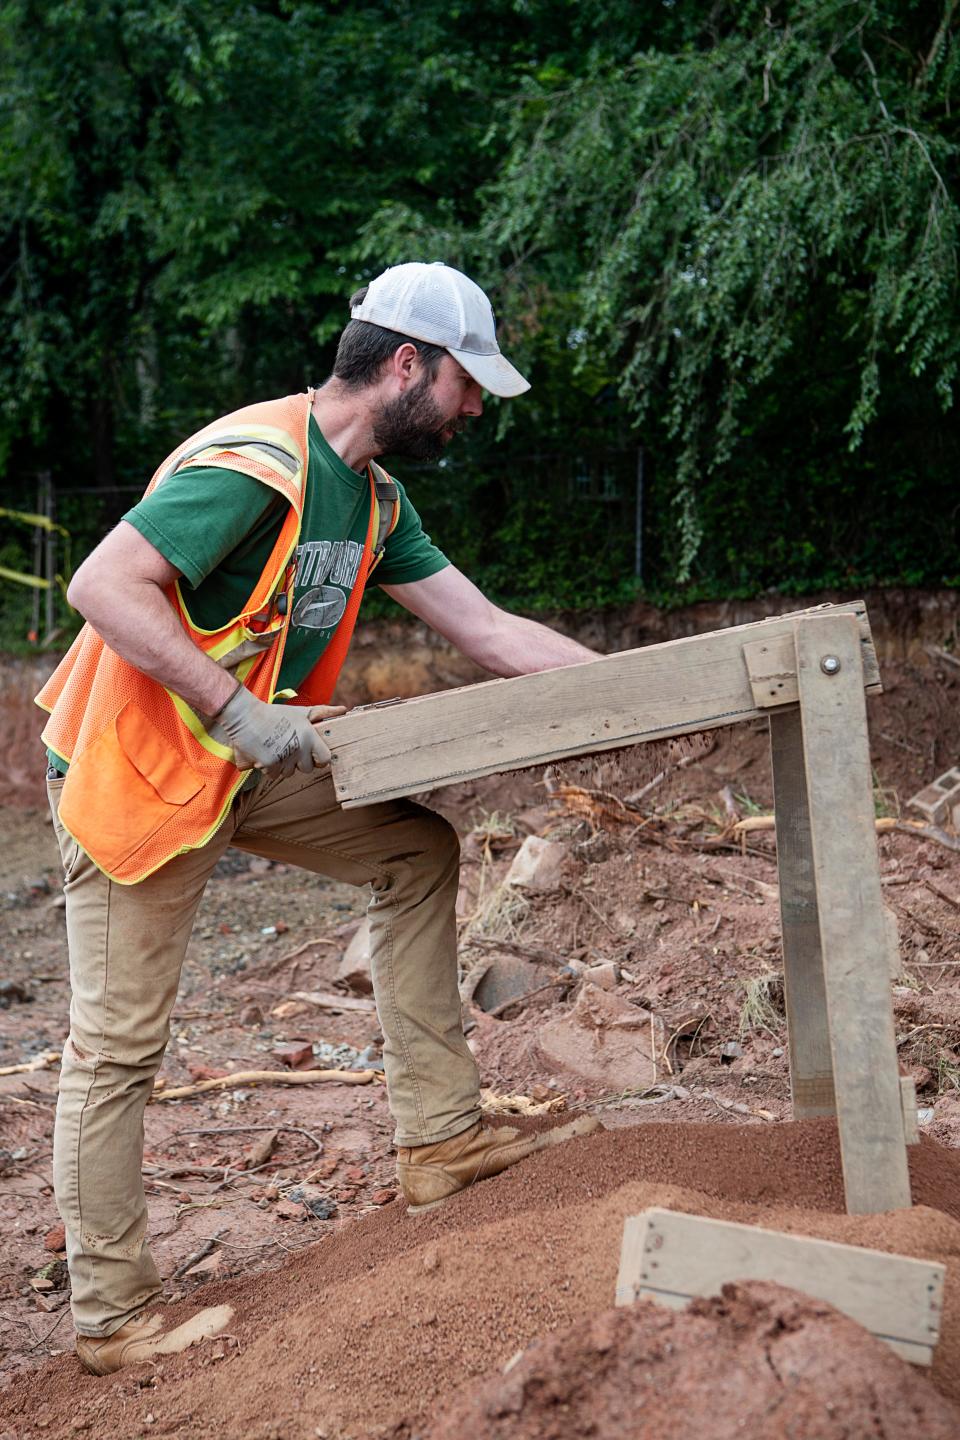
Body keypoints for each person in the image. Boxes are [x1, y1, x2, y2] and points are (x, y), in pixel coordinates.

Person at [36, 261, 600, 1375]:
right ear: (406, 366)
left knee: (414, 850)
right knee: (118, 1046)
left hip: (238, 763)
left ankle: (440, 1139)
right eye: (466, 384)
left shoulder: (378, 501)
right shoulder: (256, 465)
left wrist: (646, 690)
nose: (475, 407)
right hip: (140, 769)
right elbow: (102, 584)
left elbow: (489, 631)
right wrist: (234, 709)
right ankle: (110, 1320)